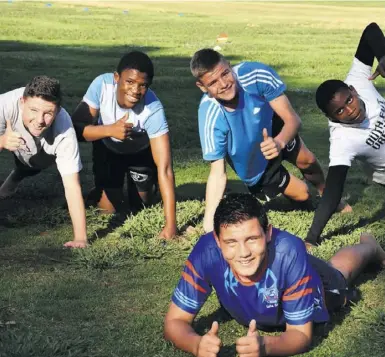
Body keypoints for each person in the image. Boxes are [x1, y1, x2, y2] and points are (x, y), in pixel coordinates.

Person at [164, 193, 385, 357]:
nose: (243, 253)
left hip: (311, 278)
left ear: (268, 232)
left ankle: (370, 248)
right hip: (271, 291)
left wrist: (266, 346)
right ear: (217, 240)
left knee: (339, 275)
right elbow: (175, 321)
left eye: (252, 239)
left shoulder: (289, 252)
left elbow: (301, 335)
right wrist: (195, 344)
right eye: (231, 242)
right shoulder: (206, 251)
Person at [190, 49, 331, 234]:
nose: (224, 84)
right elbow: (217, 173)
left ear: (230, 66)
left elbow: (293, 119)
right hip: (253, 163)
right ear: (202, 87)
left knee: (308, 160)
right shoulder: (210, 115)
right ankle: (291, 190)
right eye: (213, 82)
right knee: (303, 194)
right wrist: (209, 225)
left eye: (225, 73)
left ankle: (329, 197)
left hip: (273, 130)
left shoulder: (256, 74)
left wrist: (279, 142)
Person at [71, 51, 177, 239]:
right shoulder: (101, 85)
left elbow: (166, 168)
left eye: (143, 85)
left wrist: (171, 227)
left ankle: (149, 186)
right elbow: (77, 130)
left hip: (140, 155)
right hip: (108, 150)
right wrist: (110, 130)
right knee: (109, 210)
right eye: (129, 82)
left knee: (141, 206)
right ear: (116, 77)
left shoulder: (153, 110)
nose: (135, 91)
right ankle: (101, 190)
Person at [306, 22, 385, 246]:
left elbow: (371, 30)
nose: (351, 110)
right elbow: (332, 192)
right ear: (332, 118)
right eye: (340, 111)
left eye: (349, 101)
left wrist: (383, 55)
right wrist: (312, 238)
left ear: (353, 91)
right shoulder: (342, 141)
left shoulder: (358, 79)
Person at [0, 76, 88, 248]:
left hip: (40, 155)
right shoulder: (3, 105)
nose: (40, 120)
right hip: (8, 136)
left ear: (58, 110)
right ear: (22, 102)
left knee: (34, 162)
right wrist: (2, 141)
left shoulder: (64, 129)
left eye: (48, 113)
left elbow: (72, 186)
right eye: (33, 110)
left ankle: (15, 177)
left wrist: (81, 238)